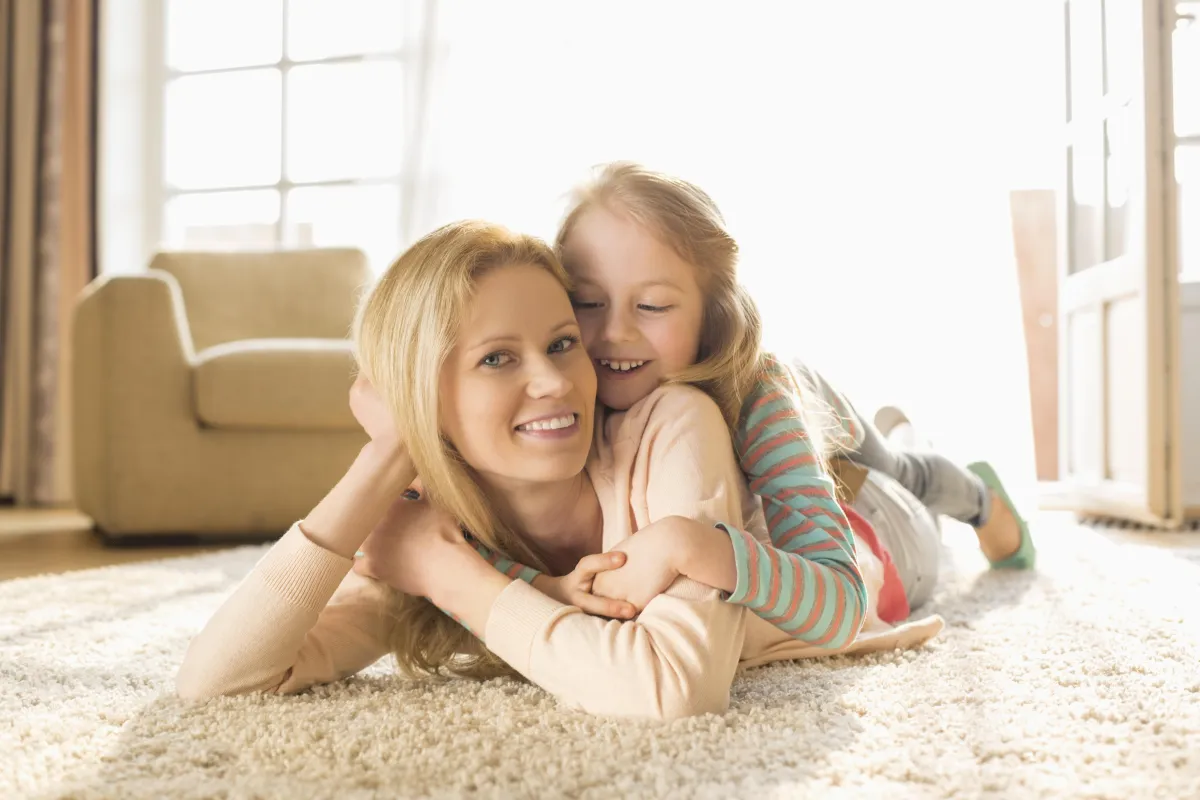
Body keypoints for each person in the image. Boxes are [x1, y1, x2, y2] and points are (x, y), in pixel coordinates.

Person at [176, 220, 940, 720]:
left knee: (897, 475)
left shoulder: (674, 423)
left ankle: (912, 447)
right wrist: (383, 462)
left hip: (872, 549)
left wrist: (454, 580)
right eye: (498, 358)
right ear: (420, 400)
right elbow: (219, 683)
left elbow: (672, 689)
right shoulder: (424, 531)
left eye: (563, 343)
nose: (555, 382)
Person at [446, 162, 1035, 626]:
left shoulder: (756, 397)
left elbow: (842, 598)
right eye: (587, 302)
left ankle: (981, 495)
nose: (613, 333)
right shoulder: (554, 394)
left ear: (712, 315)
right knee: (859, 440)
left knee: (901, 471)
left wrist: (692, 547)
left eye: (651, 306)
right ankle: (883, 426)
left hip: (878, 533)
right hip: (815, 462)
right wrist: (545, 588)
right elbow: (477, 543)